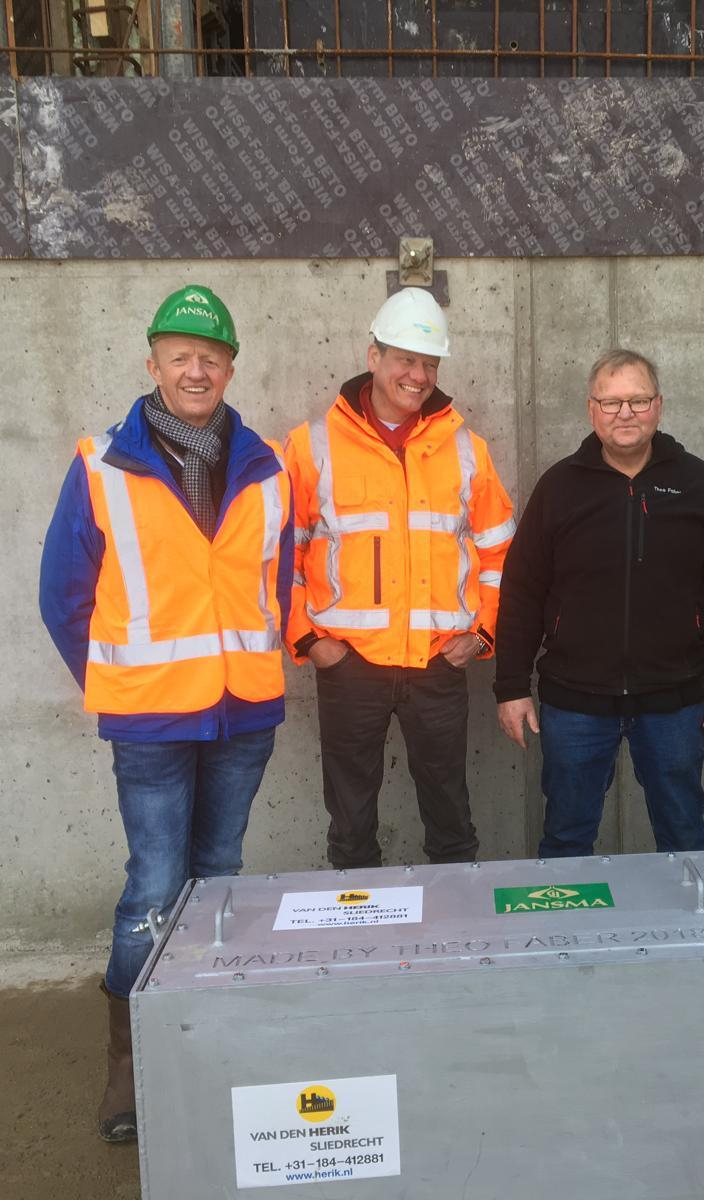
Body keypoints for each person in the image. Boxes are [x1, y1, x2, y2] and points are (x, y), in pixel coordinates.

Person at [39, 285, 293, 1142]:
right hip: (149, 721)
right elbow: (63, 597)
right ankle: (133, 1067)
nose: (196, 368)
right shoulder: (102, 464)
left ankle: (207, 1039)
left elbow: (278, 584)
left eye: (211, 356)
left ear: (229, 369)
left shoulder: (266, 465)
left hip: (244, 716)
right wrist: (118, 681)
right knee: (153, 887)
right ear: (152, 365)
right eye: (180, 354)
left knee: (218, 873)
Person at [284, 288, 514, 869]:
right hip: (350, 665)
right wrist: (311, 642)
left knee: (452, 817)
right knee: (351, 821)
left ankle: (456, 945)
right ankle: (363, 944)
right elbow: (278, 556)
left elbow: (501, 553)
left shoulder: (466, 449)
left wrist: (482, 635)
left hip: (438, 664)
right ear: (374, 357)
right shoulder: (311, 447)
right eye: (405, 360)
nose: (417, 375)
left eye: (429, 364)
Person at [493, 349, 704, 857]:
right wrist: (510, 686)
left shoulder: (696, 481)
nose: (625, 413)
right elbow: (522, 590)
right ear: (591, 410)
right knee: (566, 836)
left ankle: (688, 936)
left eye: (637, 400)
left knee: (683, 837)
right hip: (575, 700)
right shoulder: (560, 487)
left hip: (676, 700)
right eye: (611, 403)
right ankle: (567, 940)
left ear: (659, 406)